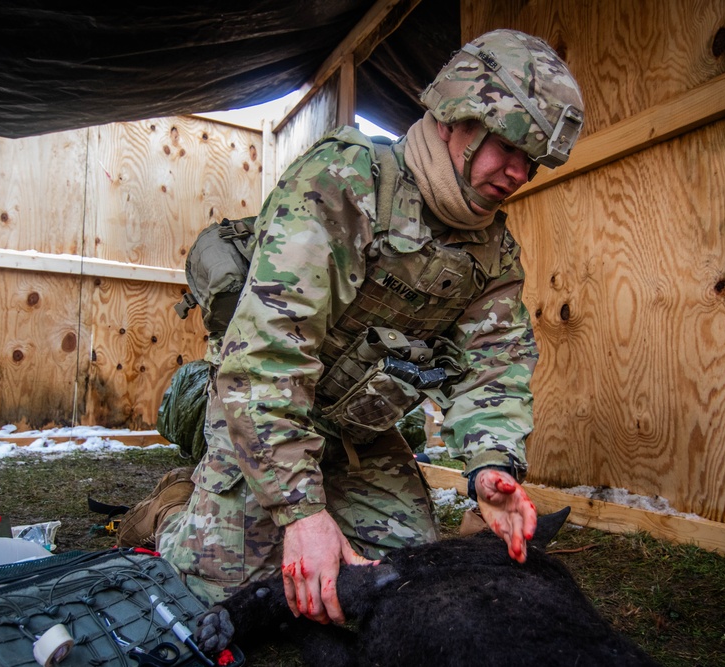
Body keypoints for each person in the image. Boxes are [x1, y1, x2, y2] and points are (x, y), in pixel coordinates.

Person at [156, 28, 585, 625]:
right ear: (454, 117)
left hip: (359, 433)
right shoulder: (343, 183)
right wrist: (301, 512)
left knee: (406, 580)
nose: (517, 172)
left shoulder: (492, 252)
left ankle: (313, 494)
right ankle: (175, 506)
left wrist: (491, 468)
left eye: (531, 160)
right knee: (214, 589)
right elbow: (263, 361)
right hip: (265, 414)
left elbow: (495, 367)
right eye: (508, 146)